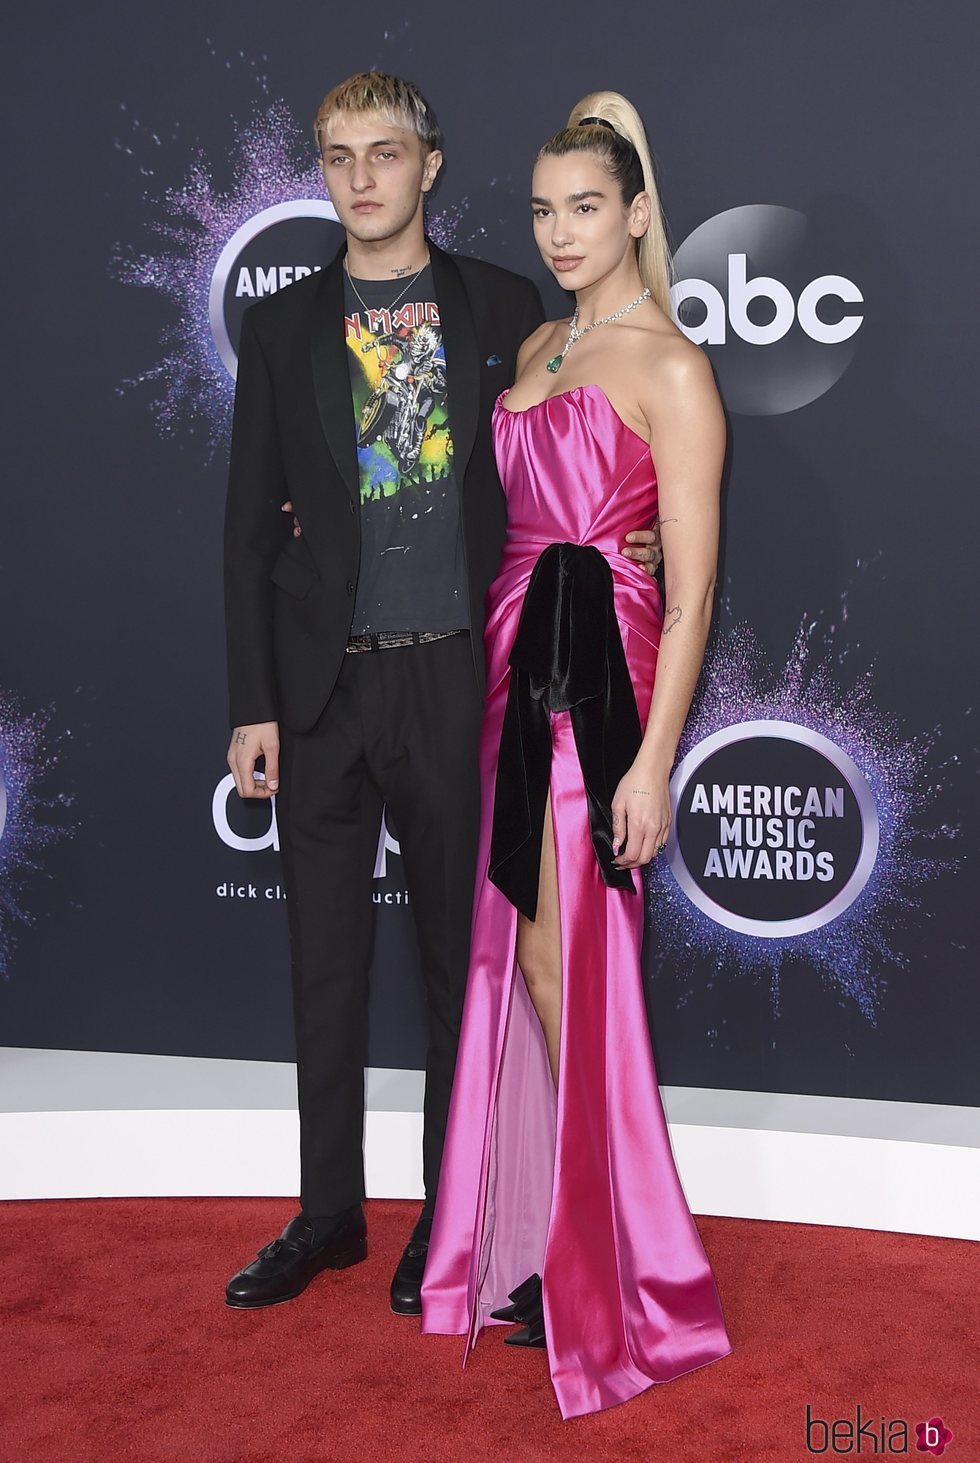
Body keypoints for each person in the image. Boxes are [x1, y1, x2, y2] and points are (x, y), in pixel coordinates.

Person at [222, 72, 661, 1317]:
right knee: (322, 962)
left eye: (385, 152)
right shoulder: (284, 325)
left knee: (450, 966)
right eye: (337, 155)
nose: (360, 175)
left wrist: (643, 543)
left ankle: (445, 1217)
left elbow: (591, 456)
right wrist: (253, 699)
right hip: (319, 691)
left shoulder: (507, 306)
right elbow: (246, 531)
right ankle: (325, 1214)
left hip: (463, 678)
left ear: (430, 164)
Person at [420, 92, 733, 1417]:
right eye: (544, 209)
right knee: (525, 957)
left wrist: (654, 759)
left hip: (596, 686)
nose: (559, 231)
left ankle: (623, 1265)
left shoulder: (675, 368)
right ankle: (555, 1233)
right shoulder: (538, 343)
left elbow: (698, 587)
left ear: (638, 211)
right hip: (507, 664)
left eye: (586, 206)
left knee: (571, 961)